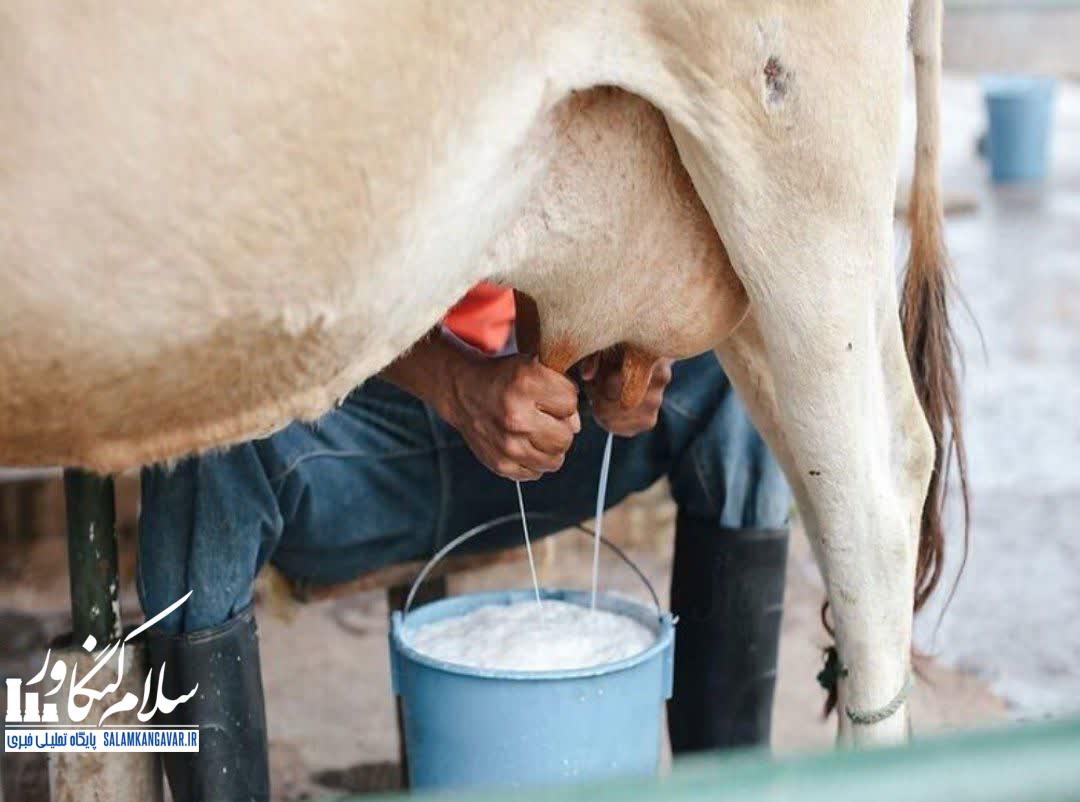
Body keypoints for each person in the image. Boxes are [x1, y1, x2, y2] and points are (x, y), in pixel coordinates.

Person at [139, 285, 791, 801]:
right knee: (198, 435)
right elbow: (264, 292)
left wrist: (633, 356)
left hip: (538, 430)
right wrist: (454, 382)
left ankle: (729, 787)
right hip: (341, 446)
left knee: (741, 379)